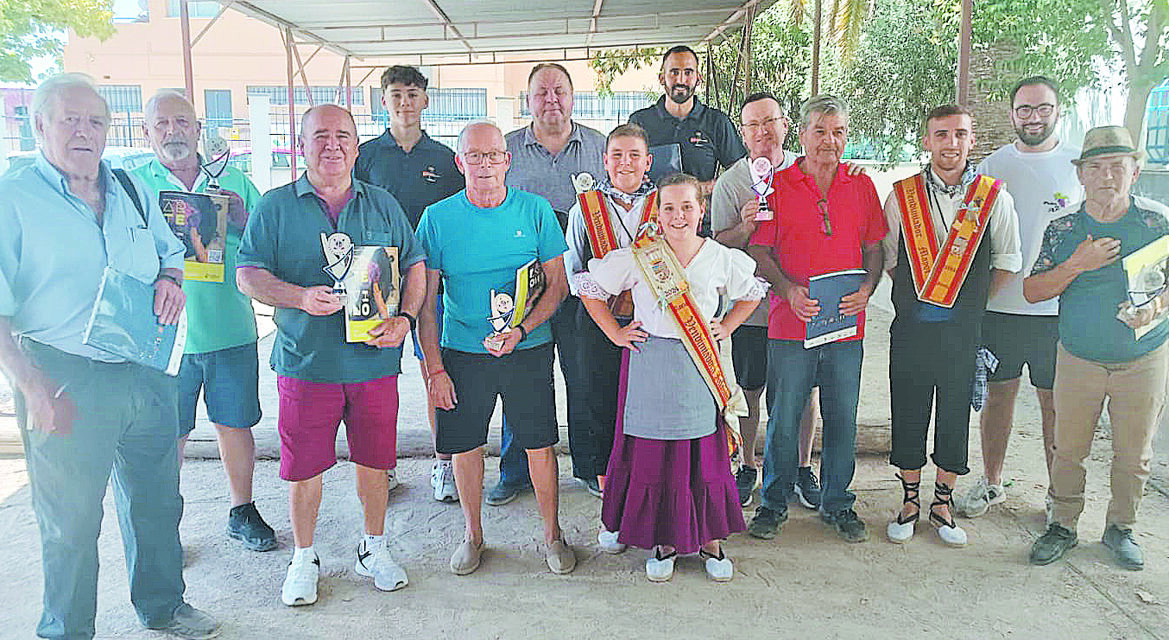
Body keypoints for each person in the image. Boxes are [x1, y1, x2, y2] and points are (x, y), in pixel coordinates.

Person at [0, 73, 218, 639]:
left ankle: (164, 606)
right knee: (70, 520)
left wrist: (171, 277)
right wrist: (31, 386)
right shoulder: (13, 197)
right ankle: (67, 630)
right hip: (63, 375)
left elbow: (173, 250)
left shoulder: (129, 187)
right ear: (39, 125)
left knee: (157, 501)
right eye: (69, 120)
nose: (84, 132)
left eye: (94, 121)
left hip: (142, 370)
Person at [237, 104, 426, 605]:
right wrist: (299, 297)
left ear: (357, 146)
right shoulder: (275, 206)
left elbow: (417, 265)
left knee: (376, 461)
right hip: (307, 362)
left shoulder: (383, 204)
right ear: (301, 146)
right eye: (320, 136)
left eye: (343, 135)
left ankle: (374, 546)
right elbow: (247, 273)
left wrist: (405, 319)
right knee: (303, 468)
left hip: (373, 363)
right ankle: (304, 556)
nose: (332, 145)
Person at [575, 172, 764, 581]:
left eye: (687, 207)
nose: (678, 216)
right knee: (654, 454)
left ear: (701, 212)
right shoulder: (641, 255)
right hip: (651, 363)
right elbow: (589, 286)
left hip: (699, 367)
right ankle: (664, 539)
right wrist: (614, 331)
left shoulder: (718, 255)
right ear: (657, 213)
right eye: (669, 207)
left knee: (702, 454)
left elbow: (752, 292)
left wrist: (727, 326)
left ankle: (710, 539)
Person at [417, 121, 577, 576]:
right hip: (462, 353)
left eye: (492, 156)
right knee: (467, 447)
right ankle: (473, 534)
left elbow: (558, 287)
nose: (484, 164)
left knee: (539, 444)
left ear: (508, 161)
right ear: (459, 162)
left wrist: (522, 330)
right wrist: (434, 370)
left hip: (527, 348)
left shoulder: (536, 211)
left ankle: (553, 534)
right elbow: (427, 305)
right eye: (474, 156)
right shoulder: (437, 219)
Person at [132, 89, 275, 552]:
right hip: (161, 336)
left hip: (229, 326)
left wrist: (240, 214)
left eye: (181, 122)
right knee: (167, 432)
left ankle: (242, 509)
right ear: (146, 132)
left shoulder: (233, 179)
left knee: (235, 422)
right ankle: (162, 528)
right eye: (161, 124)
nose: (173, 131)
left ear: (198, 128)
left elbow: (268, 245)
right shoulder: (132, 186)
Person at [1025, 126, 1169, 571]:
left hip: (1141, 359)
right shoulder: (1064, 228)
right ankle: (1062, 525)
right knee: (1068, 449)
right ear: (1081, 175)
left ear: (1135, 172)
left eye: (1117, 167)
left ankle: (1120, 528)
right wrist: (1076, 264)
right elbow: (1033, 291)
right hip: (1079, 357)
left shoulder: (1157, 223)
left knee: (1134, 453)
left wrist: (1155, 308)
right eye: (1096, 168)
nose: (1107, 176)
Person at [712, 91, 865, 508]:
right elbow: (714, 245)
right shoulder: (730, 182)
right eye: (753, 125)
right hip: (751, 310)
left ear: (785, 127)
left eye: (769, 122)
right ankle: (748, 465)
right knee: (750, 390)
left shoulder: (808, 172)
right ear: (742, 134)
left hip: (805, 315)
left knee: (804, 394)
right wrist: (745, 228)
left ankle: (801, 467)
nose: (763, 132)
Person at [746, 95, 886, 543]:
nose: (830, 140)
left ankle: (838, 503)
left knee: (842, 416)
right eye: (821, 131)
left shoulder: (861, 186)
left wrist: (868, 290)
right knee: (784, 416)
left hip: (847, 326)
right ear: (802, 135)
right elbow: (759, 251)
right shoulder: (777, 185)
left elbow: (875, 249)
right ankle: (772, 503)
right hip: (791, 325)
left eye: (839, 132)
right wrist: (787, 290)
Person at [881, 105, 1022, 547]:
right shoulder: (900, 195)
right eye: (941, 135)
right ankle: (908, 501)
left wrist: (970, 303)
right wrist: (925, 293)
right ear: (927, 141)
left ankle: (942, 504)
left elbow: (1007, 262)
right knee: (908, 409)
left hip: (962, 332)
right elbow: (890, 260)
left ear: (971, 140)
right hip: (912, 328)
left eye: (960, 134)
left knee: (955, 412)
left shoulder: (993, 196)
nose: (951, 144)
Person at [955, 76, 1084, 518]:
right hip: (1001, 308)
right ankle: (992, 483)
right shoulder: (992, 167)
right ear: (1012, 115)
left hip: (1057, 311)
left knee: (1055, 404)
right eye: (1025, 109)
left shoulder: (1077, 165)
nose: (1033, 117)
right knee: (998, 396)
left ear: (1057, 111)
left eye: (1042, 108)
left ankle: (1056, 496)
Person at [355, 65, 464, 503]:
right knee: (376, 379)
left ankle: (444, 465)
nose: (405, 102)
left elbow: (457, 215)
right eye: (396, 94)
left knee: (434, 369)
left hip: (430, 282)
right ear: (384, 101)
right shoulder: (364, 156)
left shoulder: (443, 159)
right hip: (375, 279)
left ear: (425, 101)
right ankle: (384, 465)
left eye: (413, 93)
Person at [499, 62, 607, 502]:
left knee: (583, 376)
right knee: (522, 378)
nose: (551, 100)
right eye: (541, 92)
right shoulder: (506, 152)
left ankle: (588, 465)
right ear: (528, 101)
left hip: (584, 285)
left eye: (558, 91)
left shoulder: (600, 149)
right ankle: (515, 471)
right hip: (526, 287)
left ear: (572, 96)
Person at [563, 122, 658, 552]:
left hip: (656, 327)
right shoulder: (586, 207)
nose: (625, 163)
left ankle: (650, 488)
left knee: (648, 408)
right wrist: (613, 329)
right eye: (617, 154)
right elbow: (575, 271)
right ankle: (611, 497)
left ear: (648, 161)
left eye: (634, 155)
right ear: (604, 160)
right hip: (601, 324)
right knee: (601, 403)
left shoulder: (664, 204)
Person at [630, 45, 746, 235]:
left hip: (703, 231)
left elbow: (739, 174)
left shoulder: (717, 122)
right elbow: (627, 177)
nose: (681, 80)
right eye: (674, 72)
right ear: (662, 78)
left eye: (688, 72)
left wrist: (712, 187)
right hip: (651, 230)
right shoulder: (640, 122)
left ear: (698, 78)